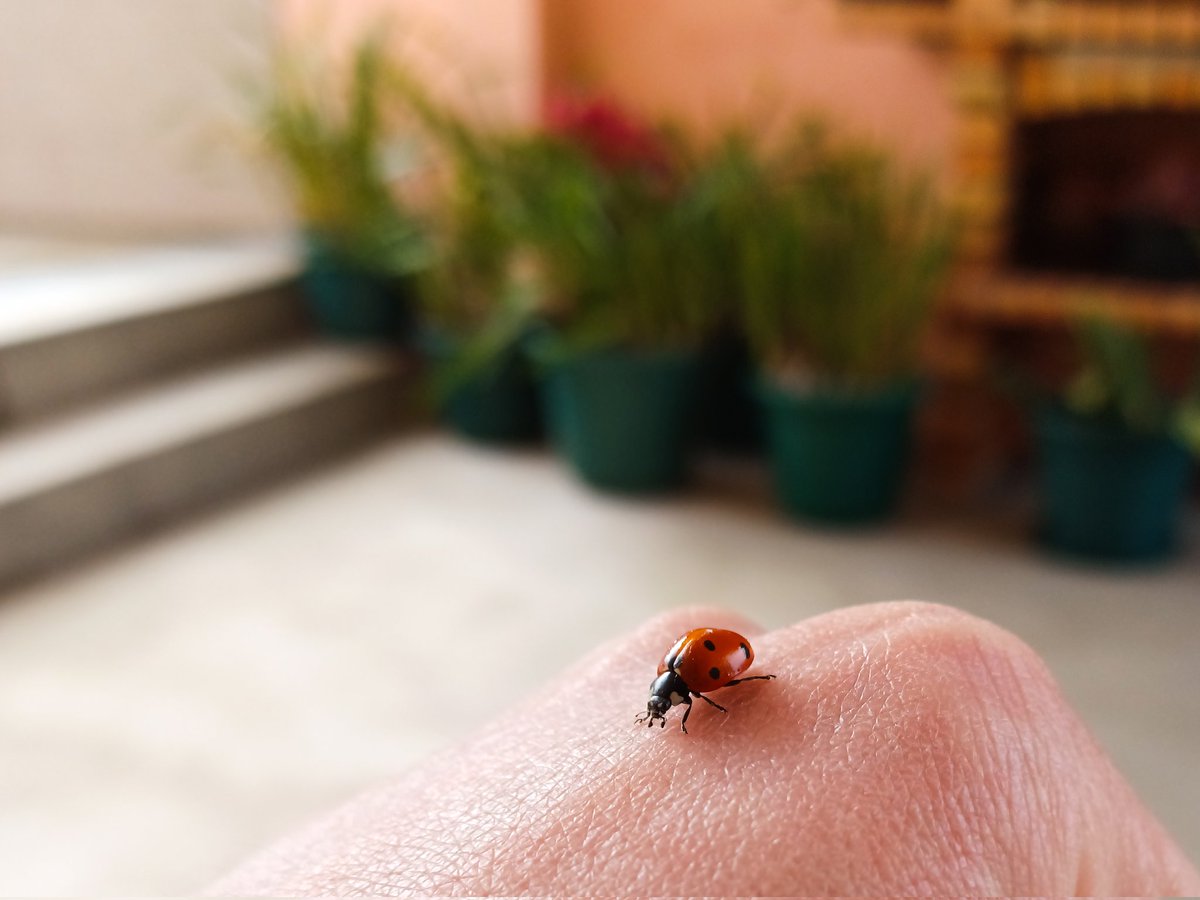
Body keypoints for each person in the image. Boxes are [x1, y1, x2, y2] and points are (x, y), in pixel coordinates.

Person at [212, 602, 1200, 895]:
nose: (675, 703)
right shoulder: (691, 676)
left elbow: (719, 678)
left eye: (671, 699)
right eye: (674, 695)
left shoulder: (704, 678)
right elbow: (701, 677)